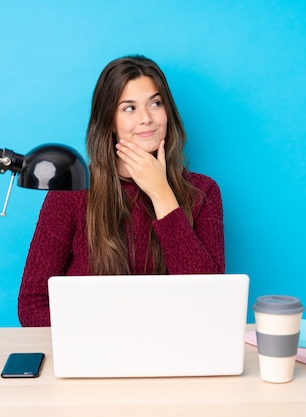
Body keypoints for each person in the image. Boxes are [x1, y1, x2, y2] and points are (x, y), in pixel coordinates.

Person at [18, 55, 225, 327]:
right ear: (109, 122)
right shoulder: (72, 192)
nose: (147, 119)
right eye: (129, 108)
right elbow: (32, 304)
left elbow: (212, 302)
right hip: (93, 351)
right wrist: (102, 334)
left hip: (173, 350)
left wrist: (161, 193)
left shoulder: (203, 192)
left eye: (155, 103)